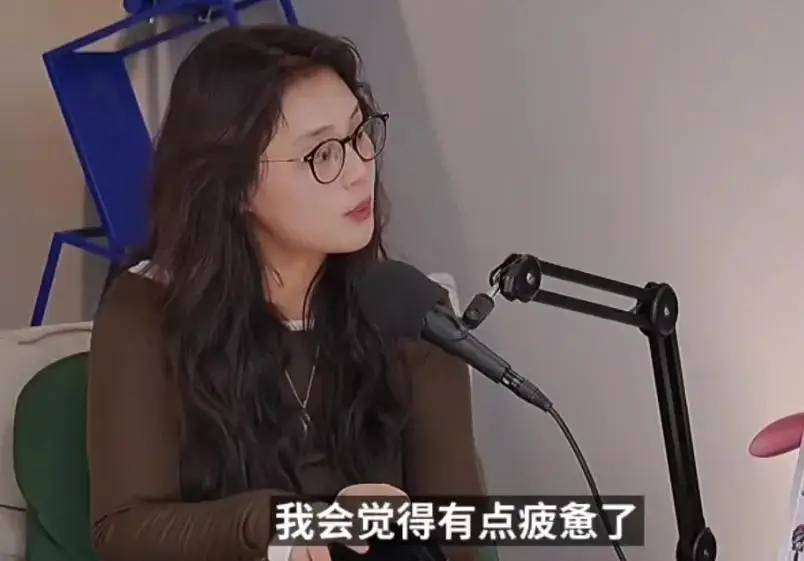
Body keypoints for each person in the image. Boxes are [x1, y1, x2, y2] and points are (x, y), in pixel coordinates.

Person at [86, 23, 486, 561]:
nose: (360, 170)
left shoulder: (410, 309)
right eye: (322, 154)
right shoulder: (147, 309)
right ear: (235, 183)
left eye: (359, 134)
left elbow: (464, 535)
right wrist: (278, 526)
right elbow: (124, 531)